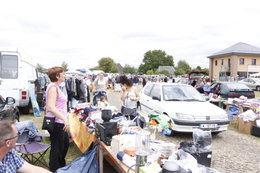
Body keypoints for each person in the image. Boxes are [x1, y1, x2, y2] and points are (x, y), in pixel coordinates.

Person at [45, 66, 70, 172]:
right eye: (63, 73)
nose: (64, 75)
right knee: (57, 150)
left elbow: (59, 106)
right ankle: (55, 169)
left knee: (63, 147)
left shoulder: (56, 87)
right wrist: (65, 119)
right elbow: (51, 107)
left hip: (60, 122)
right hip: (57, 123)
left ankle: (60, 169)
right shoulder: (53, 88)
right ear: (57, 76)